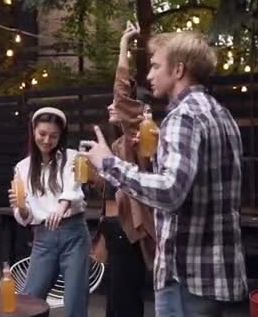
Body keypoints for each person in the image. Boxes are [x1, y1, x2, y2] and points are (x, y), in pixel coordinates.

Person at [82, 32, 247, 317]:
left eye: (156, 66)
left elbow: (170, 192)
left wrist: (108, 163)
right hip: (215, 273)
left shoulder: (182, 116)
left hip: (185, 275)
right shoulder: (222, 114)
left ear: (179, 69)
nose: (149, 75)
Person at [91, 22, 156, 317]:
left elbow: (121, 94)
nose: (111, 107)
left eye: (117, 104)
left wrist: (123, 46)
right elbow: (106, 186)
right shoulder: (116, 144)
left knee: (126, 301)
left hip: (129, 231)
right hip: (112, 228)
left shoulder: (137, 136)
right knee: (116, 301)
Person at [8, 107, 90, 317]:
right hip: (43, 237)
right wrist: (22, 208)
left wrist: (62, 207)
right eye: (42, 134)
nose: (46, 140)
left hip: (74, 234)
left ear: (60, 136)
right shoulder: (23, 168)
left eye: (53, 136)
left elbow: (76, 186)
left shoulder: (72, 157)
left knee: (74, 300)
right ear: (33, 131)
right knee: (30, 299)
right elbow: (24, 217)